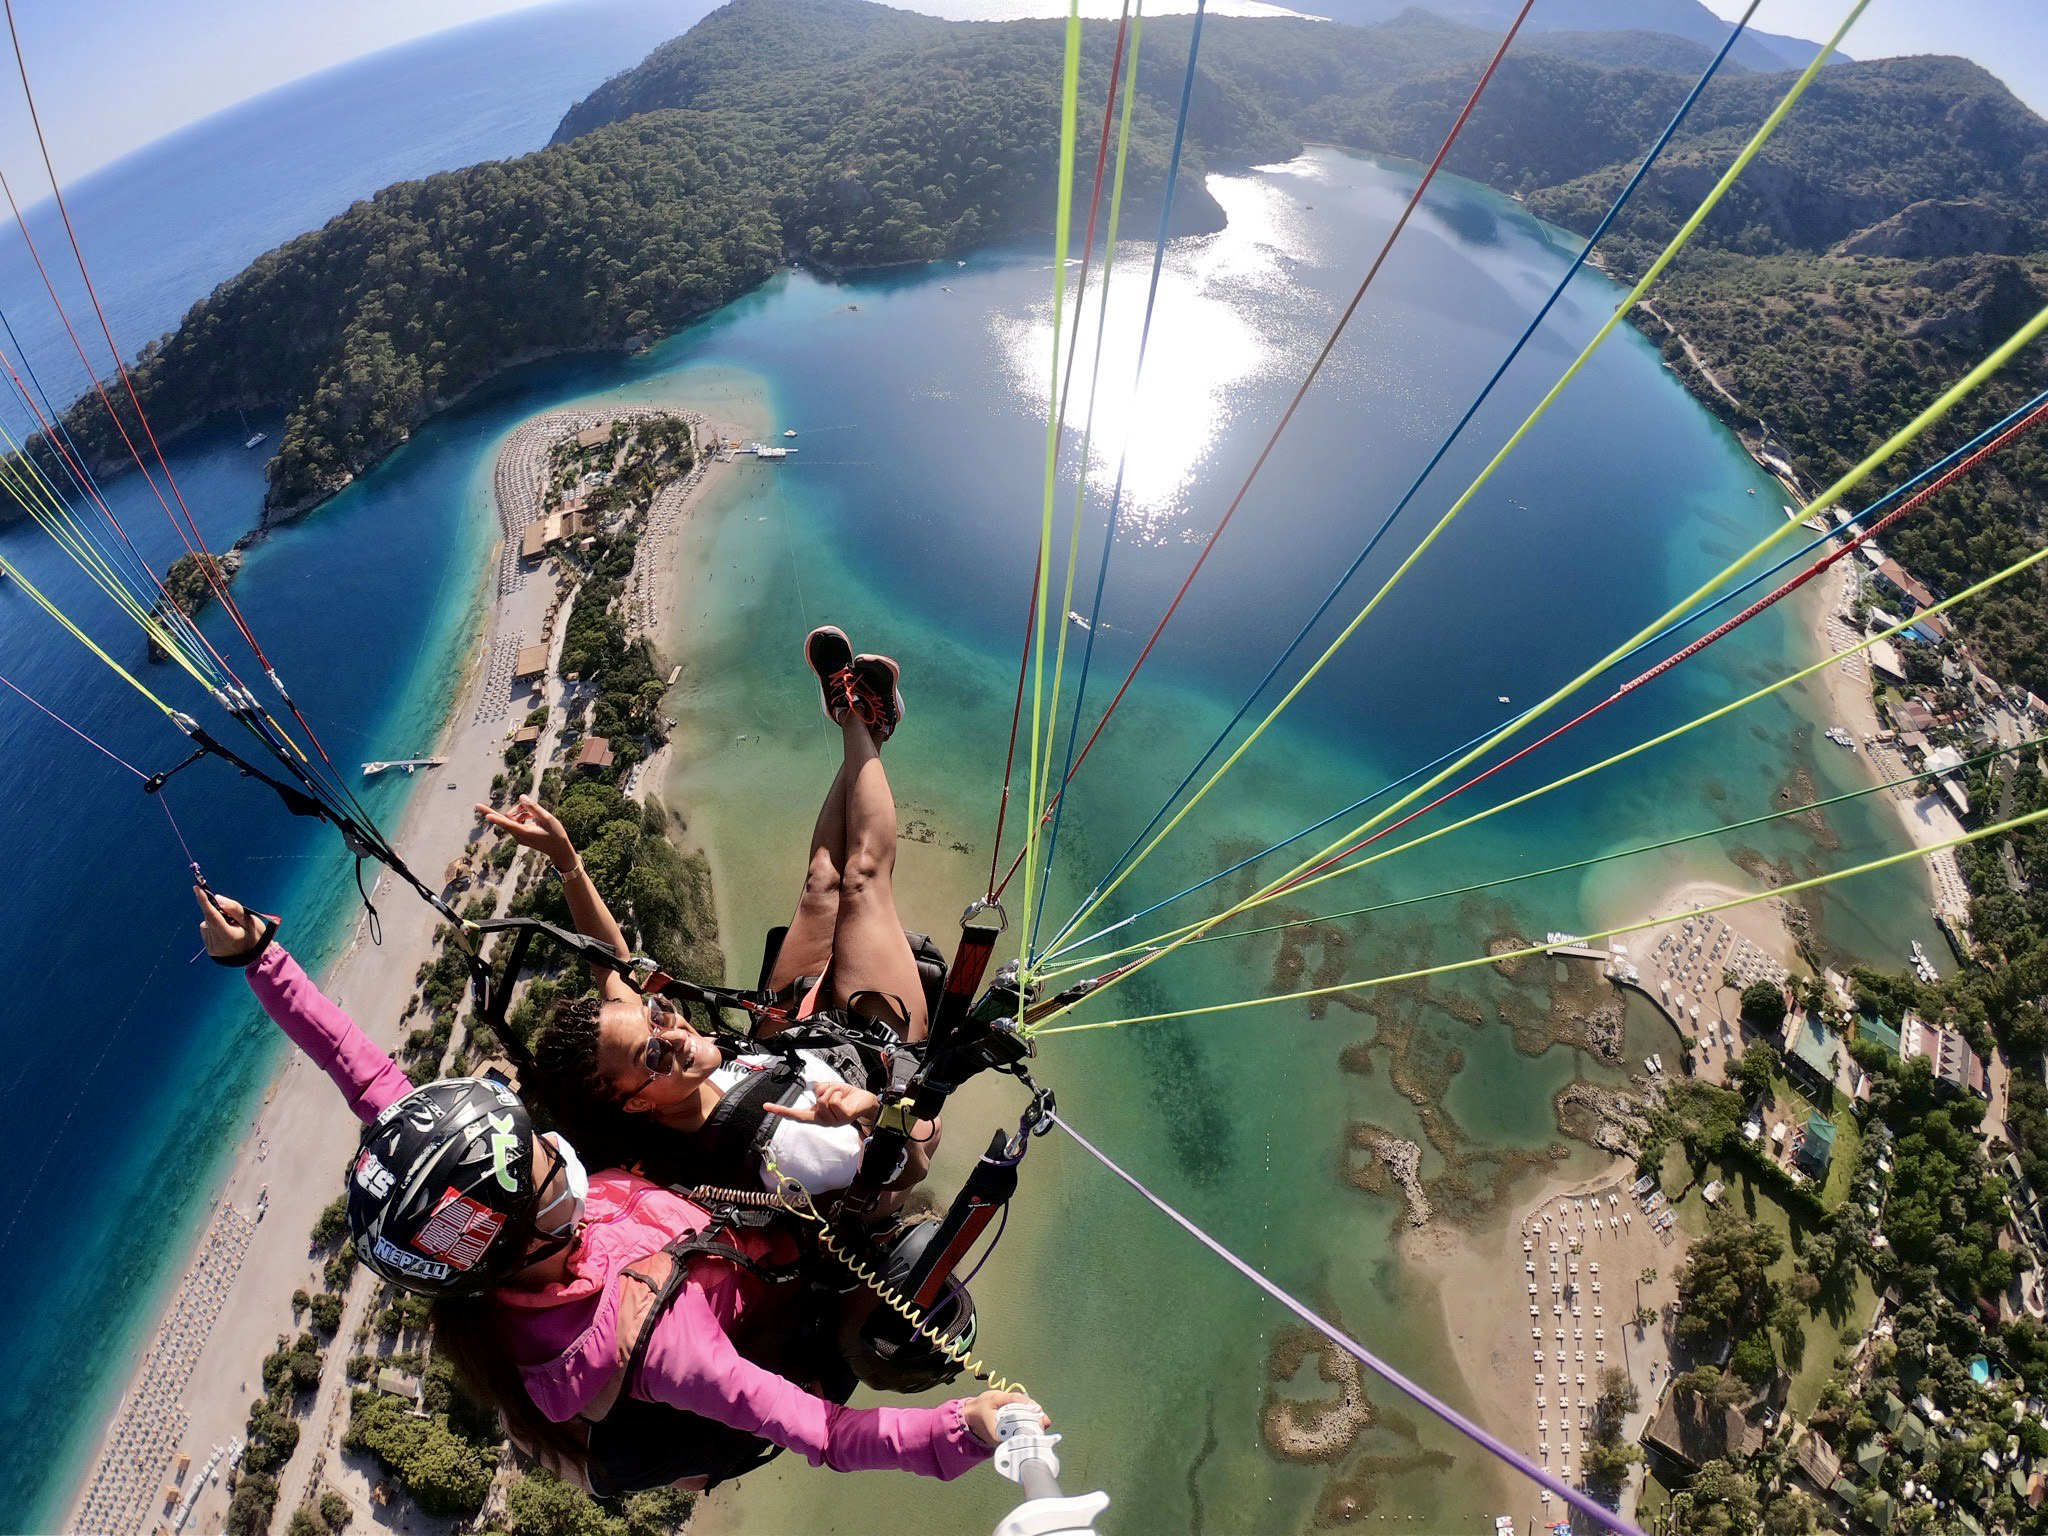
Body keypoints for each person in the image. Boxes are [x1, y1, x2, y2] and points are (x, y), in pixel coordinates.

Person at [196, 885, 1039, 1492]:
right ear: (519, 1241)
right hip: (783, 1299)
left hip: (707, 1239)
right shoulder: (661, 1344)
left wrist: (263, 960)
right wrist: (960, 1431)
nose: (560, 1160)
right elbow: (820, 1431)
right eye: (549, 1179)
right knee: (913, 1269)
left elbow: (369, 1080)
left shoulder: (463, 1223)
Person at [503, 629, 939, 1203]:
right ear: (637, 1103)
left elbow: (612, 965)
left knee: (821, 883)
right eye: (654, 1051)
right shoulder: (779, 1153)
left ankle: (861, 726)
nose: (674, 1030)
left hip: (786, 1035)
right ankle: (861, 724)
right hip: (870, 1051)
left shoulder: (668, 1072)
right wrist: (877, 1112)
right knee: (860, 880)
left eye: (657, 1016)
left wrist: (567, 863)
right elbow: (911, 1169)